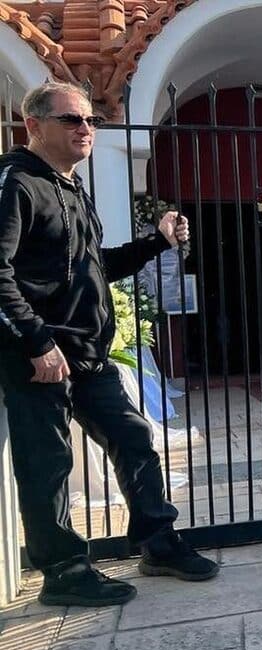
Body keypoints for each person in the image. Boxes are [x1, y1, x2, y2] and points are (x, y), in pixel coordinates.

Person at [0, 81, 219, 608]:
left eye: (90, 120)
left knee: (135, 438)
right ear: (34, 125)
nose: (85, 129)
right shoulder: (17, 183)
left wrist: (157, 242)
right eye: (71, 120)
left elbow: (95, 267)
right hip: (38, 358)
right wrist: (36, 341)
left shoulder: (72, 188)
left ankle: (157, 543)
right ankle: (64, 572)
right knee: (48, 463)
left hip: (87, 354)